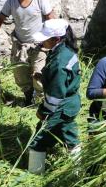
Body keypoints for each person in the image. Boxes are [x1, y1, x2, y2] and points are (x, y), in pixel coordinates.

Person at [0, 0, 59, 106]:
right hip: (20, 45)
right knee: (21, 76)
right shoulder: (12, 1)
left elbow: (51, 18)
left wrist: (55, 38)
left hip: (40, 45)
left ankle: (41, 103)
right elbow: (0, 18)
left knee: (39, 75)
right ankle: (28, 98)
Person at [28, 19, 81, 174]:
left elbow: (56, 95)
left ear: (56, 39)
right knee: (68, 134)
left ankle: (34, 174)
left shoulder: (59, 61)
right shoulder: (63, 50)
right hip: (70, 103)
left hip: (61, 105)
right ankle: (79, 171)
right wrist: (43, 76)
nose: (42, 42)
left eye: (45, 39)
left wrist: (43, 112)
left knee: (39, 139)